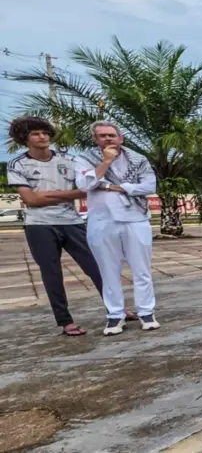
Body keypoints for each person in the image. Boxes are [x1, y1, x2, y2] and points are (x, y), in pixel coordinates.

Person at [7, 116, 119, 336]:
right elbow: (30, 200)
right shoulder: (17, 164)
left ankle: (116, 310)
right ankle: (65, 321)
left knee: (97, 267)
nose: (42, 137)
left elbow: (86, 188)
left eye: (45, 133)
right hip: (39, 225)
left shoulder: (69, 160)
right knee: (52, 273)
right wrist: (67, 194)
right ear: (25, 139)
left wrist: (48, 195)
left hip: (72, 221)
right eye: (36, 134)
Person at [74, 121, 160, 334]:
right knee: (108, 271)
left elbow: (149, 186)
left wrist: (118, 187)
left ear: (121, 138)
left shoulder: (138, 159)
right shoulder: (85, 158)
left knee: (142, 270)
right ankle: (115, 315)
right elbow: (84, 185)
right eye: (102, 136)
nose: (108, 139)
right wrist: (106, 162)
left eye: (112, 135)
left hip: (136, 218)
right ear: (95, 139)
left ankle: (146, 312)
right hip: (102, 220)